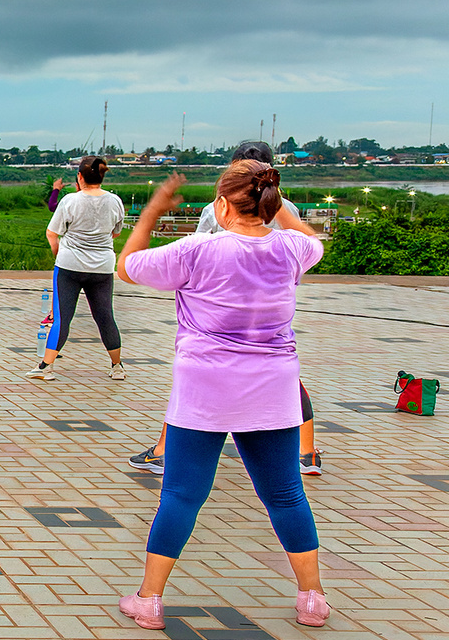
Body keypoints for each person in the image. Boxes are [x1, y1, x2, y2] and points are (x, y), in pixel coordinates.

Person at [116, 161, 330, 630]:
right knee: (286, 495)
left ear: (220, 205)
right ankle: (312, 599)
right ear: (272, 203)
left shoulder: (197, 250)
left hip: (204, 390)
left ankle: (149, 600)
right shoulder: (292, 249)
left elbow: (127, 267)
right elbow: (311, 239)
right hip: (272, 390)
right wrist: (280, 211)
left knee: (181, 494)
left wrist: (151, 211)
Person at [127, 141, 322, 476]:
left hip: (213, 342)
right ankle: (306, 452)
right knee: (284, 491)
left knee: (183, 483)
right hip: (269, 336)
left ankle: (163, 451)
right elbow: (309, 248)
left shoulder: (212, 217)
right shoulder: (286, 215)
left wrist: (151, 212)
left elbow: (134, 265)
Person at [26, 155, 125, 382]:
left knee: (62, 318)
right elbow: (116, 232)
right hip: (102, 267)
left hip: (70, 266)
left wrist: (58, 253)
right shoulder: (115, 201)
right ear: (101, 176)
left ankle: (45, 367)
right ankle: (117, 366)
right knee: (105, 316)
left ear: (79, 177)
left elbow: (52, 233)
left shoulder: (70, 201)